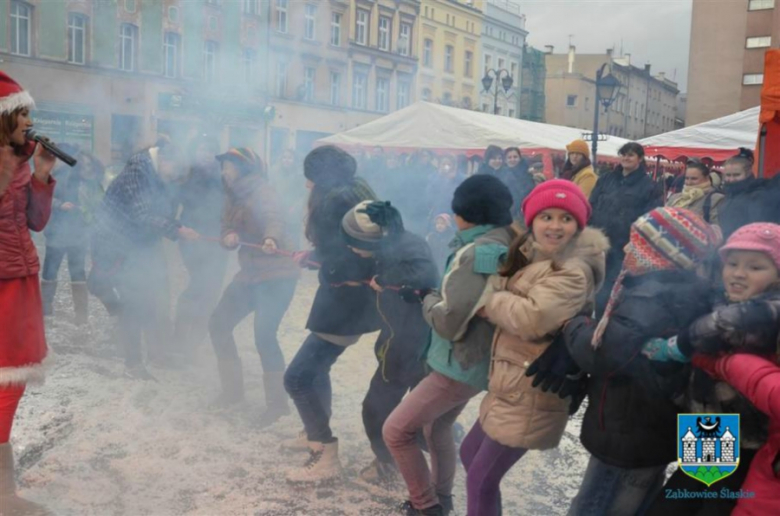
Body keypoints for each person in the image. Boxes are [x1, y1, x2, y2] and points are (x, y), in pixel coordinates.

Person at [561, 207, 721, 516]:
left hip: (627, 432)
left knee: (596, 504)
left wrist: (575, 325)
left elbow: (603, 355)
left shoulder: (649, 301)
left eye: (635, 244)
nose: (625, 248)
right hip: (653, 431)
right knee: (637, 501)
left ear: (657, 255)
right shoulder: (690, 292)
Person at [461, 180, 607, 516]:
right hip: (510, 382)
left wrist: (491, 301)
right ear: (531, 221)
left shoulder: (573, 270)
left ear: (578, 225)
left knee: (480, 479)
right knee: (470, 456)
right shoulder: (531, 253)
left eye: (565, 218)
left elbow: (532, 318)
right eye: (546, 216)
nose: (555, 226)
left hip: (531, 388)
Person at [383, 174, 515, 516]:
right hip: (475, 361)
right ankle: (442, 499)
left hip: (459, 364)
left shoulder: (478, 251)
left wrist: (427, 300)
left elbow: (450, 320)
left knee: (396, 430)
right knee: (436, 425)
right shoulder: (503, 242)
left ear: (466, 213)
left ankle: (425, 506)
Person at [640, 223, 780, 515]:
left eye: (756, 267)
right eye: (732, 264)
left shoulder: (768, 309)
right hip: (710, 425)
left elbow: (730, 323)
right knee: (676, 503)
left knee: (713, 506)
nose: (739, 273)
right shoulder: (722, 299)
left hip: (748, 438)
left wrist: (677, 347)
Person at [282, 146, 379, 483]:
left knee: (296, 377)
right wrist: (315, 256)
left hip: (344, 304)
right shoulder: (357, 190)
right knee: (317, 368)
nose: (307, 186)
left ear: (320, 179)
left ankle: (323, 451)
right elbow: (345, 249)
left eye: (310, 179)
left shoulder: (334, 201)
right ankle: (313, 429)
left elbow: (347, 259)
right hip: (353, 301)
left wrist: (321, 263)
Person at [339, 201, 440, 486]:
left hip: (410, 342)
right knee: (420, 405)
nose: (351, 248)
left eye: (353, 243)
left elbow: (426, 275)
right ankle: (422, 443)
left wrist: (387, 278)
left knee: (375, 408)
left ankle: (388, 461)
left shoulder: (408, 247)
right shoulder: (390, 244)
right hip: (402, 338)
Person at [90, 136, 199, 380]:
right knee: (135, 303)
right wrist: (178, 230)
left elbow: (160, 210)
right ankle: (133, 364)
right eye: (173, 173)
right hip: (117, 245)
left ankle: (157, 354)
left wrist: (175, 224)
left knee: (157, 297)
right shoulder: (139, 169)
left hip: (142, 243)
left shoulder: (156, 170)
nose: (172, 179)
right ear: (166, 160)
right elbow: (142, 214)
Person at [207, 148, 300, 426]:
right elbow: (224, 227)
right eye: (223, 166)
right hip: (250, 275)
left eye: (228, 167)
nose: (224, 171)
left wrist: (271, 237)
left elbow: (275, 219)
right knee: (218, 323)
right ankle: (233, 392)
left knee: (264, 335)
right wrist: (228, 236)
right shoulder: (231, 196)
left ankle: (278, 404)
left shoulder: (263, 191)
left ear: (243, 169)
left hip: (278, 275)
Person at [0, 71, 56, 514]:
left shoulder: (21, 163)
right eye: (22, 116)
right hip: (4, 282)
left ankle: (3, 490)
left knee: (11, 382)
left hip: (19, 278)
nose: (29, 123)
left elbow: (35, 223)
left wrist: (40, 174)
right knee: (5, 383)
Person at [588, 141, 664, 317]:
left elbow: (650, 219)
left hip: (624, 246)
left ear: (640, 159)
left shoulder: (649, 186)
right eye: (623, 154)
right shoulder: (606, 179)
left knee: (614, 289)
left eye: (630, 154)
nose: (625, 157)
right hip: (600, 242)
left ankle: (607, 322)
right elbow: (591, 205)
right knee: (595, 284)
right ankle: (593, 321)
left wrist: (636, 243)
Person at [173, 134, 227, 357]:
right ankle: (179, 334)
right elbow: (171, 205)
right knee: (199, 284)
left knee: (213, 288)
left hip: (218, 239)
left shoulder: (223, 177)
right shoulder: (186, 176)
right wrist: (177, 228)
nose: (205, 155)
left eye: (209, 150)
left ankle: (195, 339)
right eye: (201, 150)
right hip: (192, 238)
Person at [41, 148, 105, 325]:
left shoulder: (94, 184)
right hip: (56, 233)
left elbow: (100, 208)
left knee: (78, 272)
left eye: (89, 164)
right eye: (83, 165)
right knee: (49, 271)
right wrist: (60, 204)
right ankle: (46, 310)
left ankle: (81, 314)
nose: (87, 168)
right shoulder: (62, 178)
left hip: (79, 235)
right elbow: (44, 198)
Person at [718, 155, 779, 240]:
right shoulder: (728, 196)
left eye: (736, 175)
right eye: (728, 175)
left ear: (748, 173)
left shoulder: (758, 196)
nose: (731, 179)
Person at [666, 160, 725, 225]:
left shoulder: (716, 199)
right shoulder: (675, 198)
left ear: (706, 178)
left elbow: (717, 228)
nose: (689, 182)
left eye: (694, 179)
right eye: (687, 178)